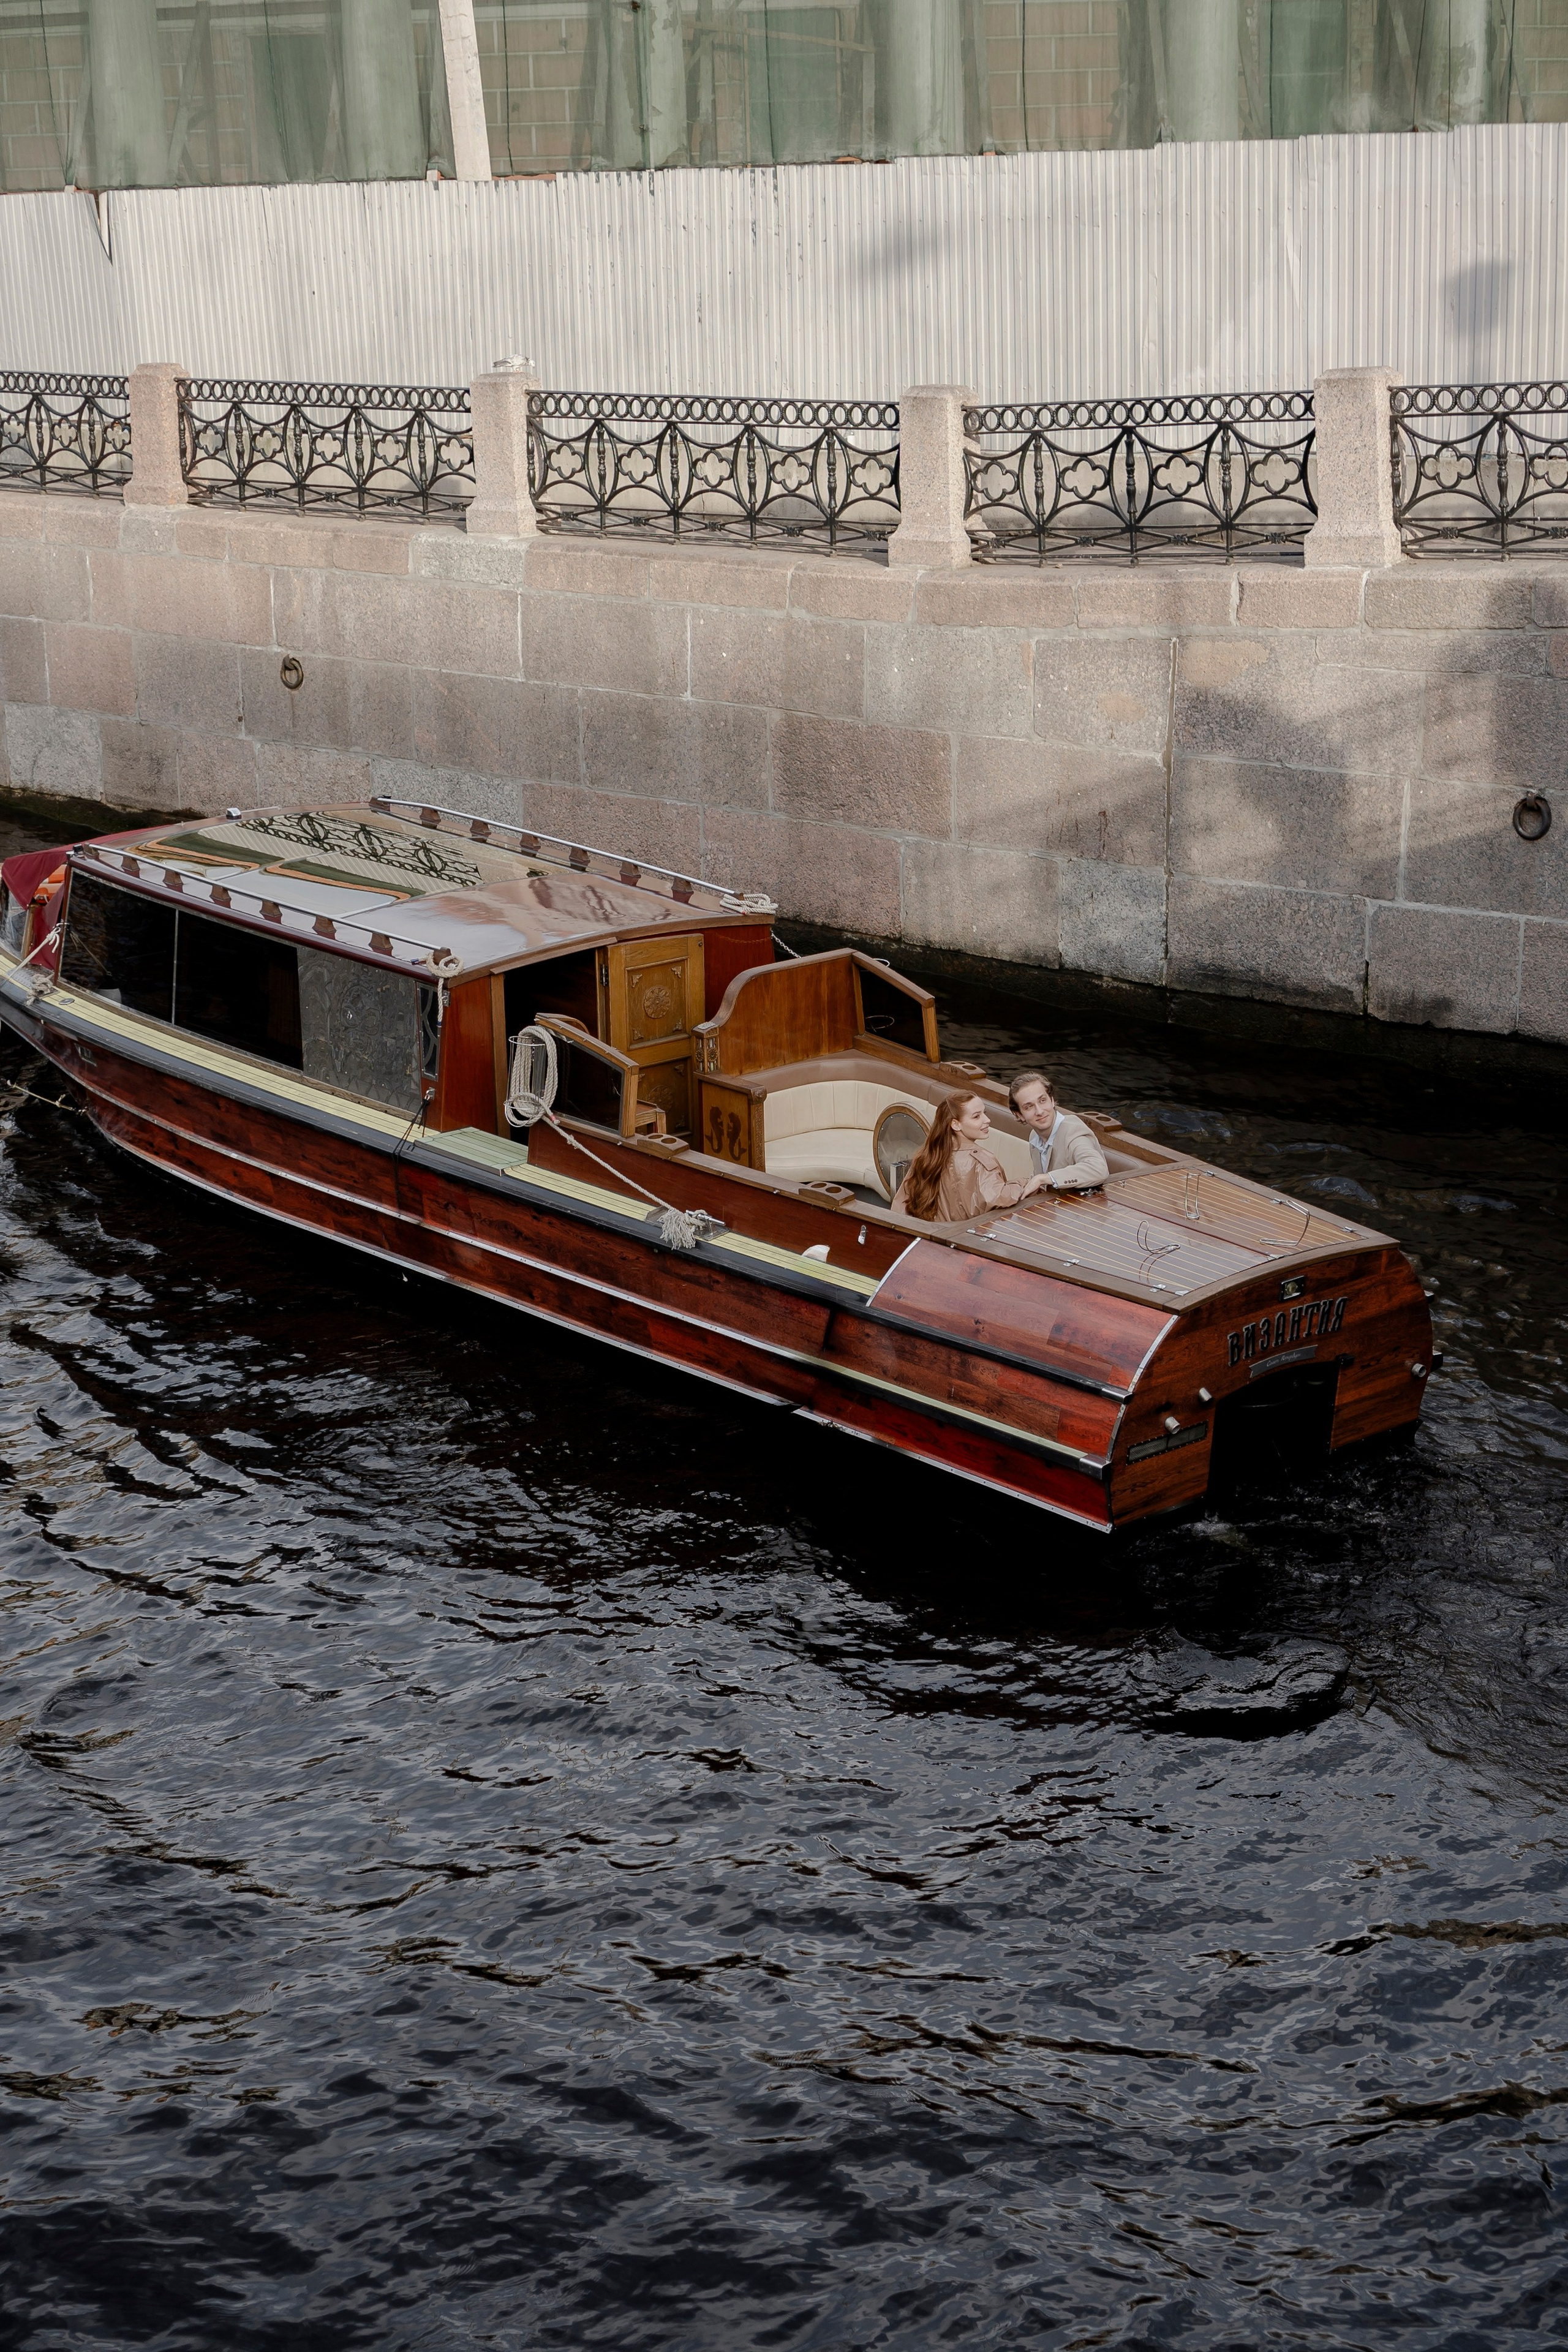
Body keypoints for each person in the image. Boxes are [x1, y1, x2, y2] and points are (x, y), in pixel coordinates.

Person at [892, 1090, 1050, 1223]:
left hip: (932, 1239)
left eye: (984, 1114)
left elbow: (900, 1207)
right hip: (967, 1242)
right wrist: (1027, 1182)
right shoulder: (981, 1161)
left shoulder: (926, 1157)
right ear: (956, 1125)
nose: (987, 1120)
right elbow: (999, 1197)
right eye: (977, 1117)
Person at [1007, 1071, 1109, 1192]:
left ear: (1052, 1100)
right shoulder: (1034, 1136)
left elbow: (1098, 1169)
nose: (1039, 1111)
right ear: (1020, 1115)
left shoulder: (1073, 1132)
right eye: (1029, 1107)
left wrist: (1043, 1178)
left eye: (1042, 1100)